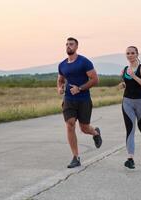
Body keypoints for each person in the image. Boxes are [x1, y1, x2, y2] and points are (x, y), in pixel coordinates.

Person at [57, 37, 102, 168]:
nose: (68, 46)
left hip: (84, 100)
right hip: (69, 100)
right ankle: (76, 157)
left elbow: (95, 79)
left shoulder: (84, 62)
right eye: (66, 44)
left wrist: (80, 88)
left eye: (71, 44)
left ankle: (95, 133)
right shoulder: (62, 65)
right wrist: (60, 88)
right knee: (70, 124)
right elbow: (60, 80)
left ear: (77, 47)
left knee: (84, 128)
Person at [119, 46, 141, 169]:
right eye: (128, 53)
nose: (130, 55)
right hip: (127, 101)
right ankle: (130, 158)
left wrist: (134, 76)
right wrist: (122, 84)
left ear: (137, 54)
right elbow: (126, 84)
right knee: (130, 128)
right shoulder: (125, 69)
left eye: (132, 53)